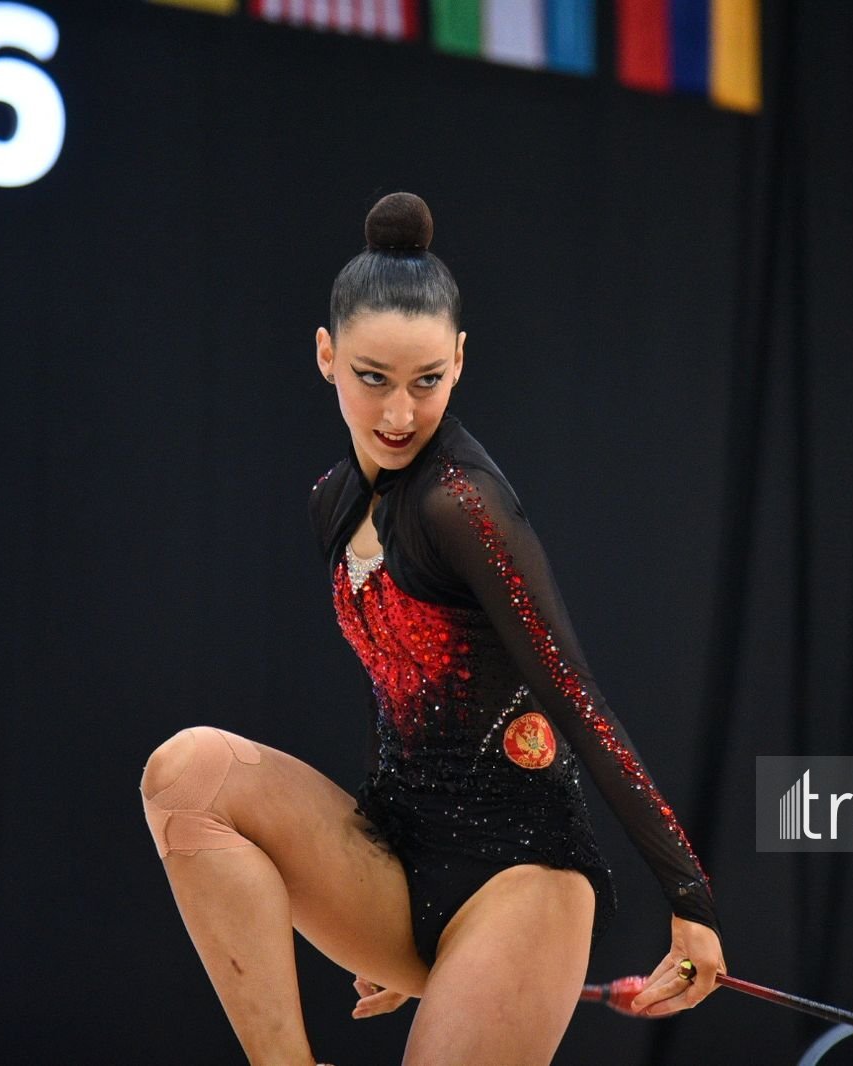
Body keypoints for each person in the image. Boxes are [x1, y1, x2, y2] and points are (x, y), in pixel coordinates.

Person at [140, 192, 725, 1065]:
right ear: (326, 355)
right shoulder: (332, 503)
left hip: (521, 880)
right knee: (187, 773)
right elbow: (397, 689)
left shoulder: (462, 505)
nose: (400, 414)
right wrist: (373, 911)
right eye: (372, 377)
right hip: (399, 857)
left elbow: (574, 695)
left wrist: (690, 898)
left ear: (459, 360)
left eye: (427, 382)